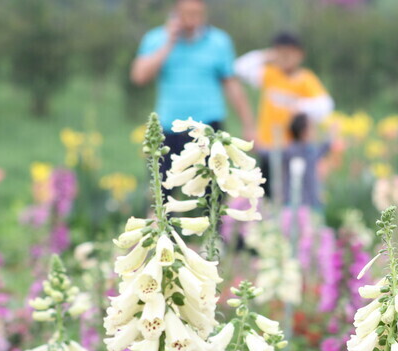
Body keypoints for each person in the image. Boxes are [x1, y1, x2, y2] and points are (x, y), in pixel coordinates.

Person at [130, 0, 255, 177]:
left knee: (213, 189)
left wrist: (248, 124)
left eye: (196, 14)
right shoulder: (156, 38)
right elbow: (139, 76)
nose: (191, 20)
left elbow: (232, 84)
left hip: (209, 125)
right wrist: (168, 43)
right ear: (174, 13)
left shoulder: (219, 42)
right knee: (160, 190)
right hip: (168, 127)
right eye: (186, 14)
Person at [234, 32, 334, 197]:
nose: (285, 58)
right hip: (267, 144)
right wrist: (266, 55)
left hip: (292, 148)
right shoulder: (270, 74)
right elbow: (239, 68)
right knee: (266, 191)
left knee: (290, 192)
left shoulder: (305, 79)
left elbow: (325, 106)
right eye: (280, 53)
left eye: (289, 54)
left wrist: (299, 106)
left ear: (300, 54)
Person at [280, 113, 331, 210]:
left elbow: (323, 148)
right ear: (304, 132)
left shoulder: (307, 149)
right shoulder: (294, 151)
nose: (315, 131)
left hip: (308, 201)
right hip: (298, 203)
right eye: (312, 127)